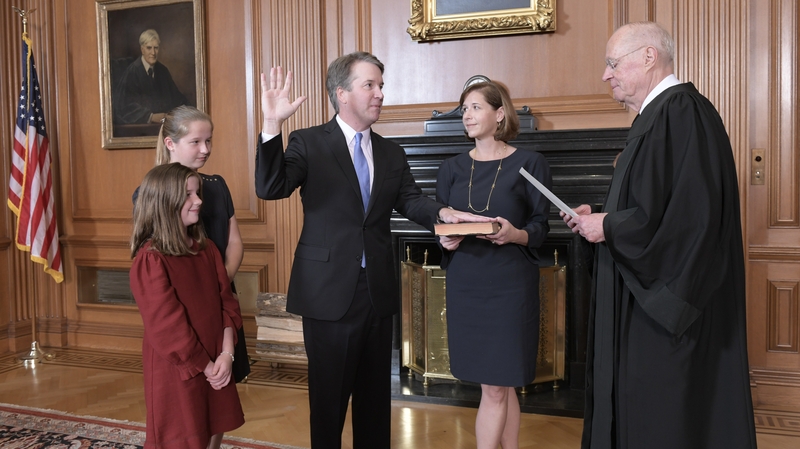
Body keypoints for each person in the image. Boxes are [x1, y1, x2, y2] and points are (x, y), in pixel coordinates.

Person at [255, 52, 490, 448]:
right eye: (371, 85)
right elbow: (271, 187)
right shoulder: (309, 142)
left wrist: (444, 212)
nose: (380, 93)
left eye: (381, 85)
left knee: (375, 404)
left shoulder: (390, 152)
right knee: (328, 405)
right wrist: (271, 124)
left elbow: (411, 200)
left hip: (377, 292)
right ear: (342, 93)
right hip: (328, 294)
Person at [561, 22, 757, 449]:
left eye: (613, 63)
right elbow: (653, 205)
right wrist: (601, 218)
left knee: (664, 417)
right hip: (642, 297)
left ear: (648, 57)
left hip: (666, 313)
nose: (605, 75)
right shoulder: (659, 115)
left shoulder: (681, 111)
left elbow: (691, 219)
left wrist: (610, 226)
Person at [436, 80, 551, 449]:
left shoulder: (530, 163)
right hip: (466, 283)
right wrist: (446, 239)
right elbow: (441, 226)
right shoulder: (450, 168)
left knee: (498, 387)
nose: (466, 115)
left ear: (499, 113)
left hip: (509, 285)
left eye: (475, 107)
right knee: (500, 385)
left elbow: (541, 228)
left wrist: (513, 234)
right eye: (464, 109)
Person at [132, 105, 250, 393]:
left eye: (208, 140)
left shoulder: (217, 185)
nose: (205, 148)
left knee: (224, 387)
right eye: (196, 141)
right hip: (186, 309)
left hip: (221, 301)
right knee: (192, 393)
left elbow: (234, 242)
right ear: (171, 143)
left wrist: (218, 282)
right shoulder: (152, 191)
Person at [129, 163, 244, 449]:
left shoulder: (207, 249)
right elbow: (168, 327)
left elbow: (227, 304)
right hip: (180, 369)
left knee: (209, 436)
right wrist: (206, 366)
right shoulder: (151, 259)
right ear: (165, 202)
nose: (199, 201)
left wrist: (226, 356)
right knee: (181, 440)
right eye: (189, 195)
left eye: (198, 193)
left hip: (216, 361)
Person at [114, 29, 188, 125]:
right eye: (149, 48)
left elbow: (176, 98)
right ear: (142, 49)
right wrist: (151, 116)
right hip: (139, 129)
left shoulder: (163, 71)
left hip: (163, 127)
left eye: (156, 48)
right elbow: (125, 106)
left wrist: (190, 111)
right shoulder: (132, 72)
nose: (153, 52)